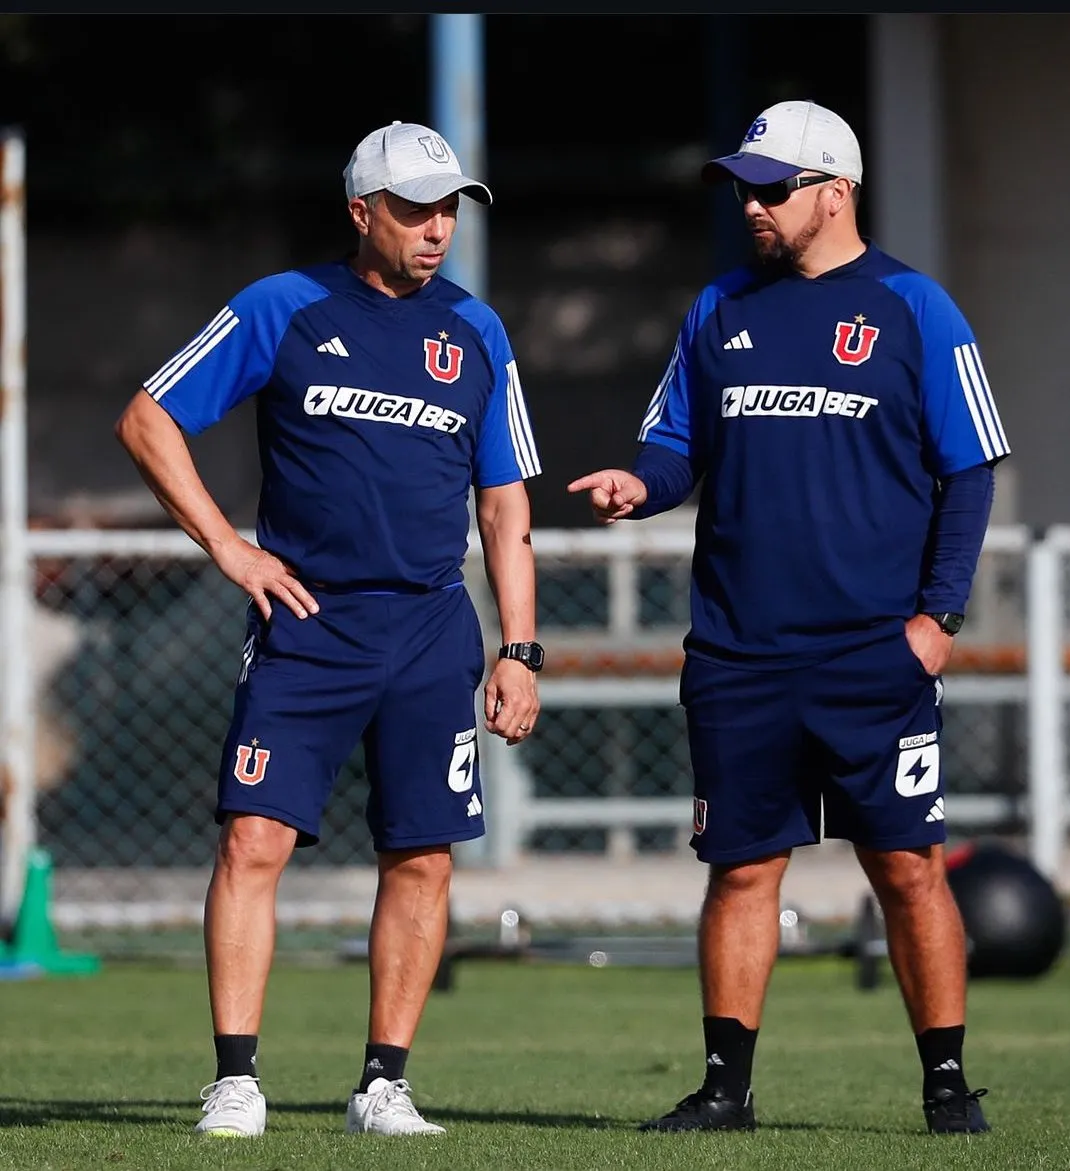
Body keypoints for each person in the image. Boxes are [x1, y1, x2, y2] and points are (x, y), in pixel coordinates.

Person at [568, 99, 1008, 1136]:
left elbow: (973, 468)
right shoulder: (720, 307)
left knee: (904, 866)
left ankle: (945, 1085)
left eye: (772, 188)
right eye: (743, 188)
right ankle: (725, 1089)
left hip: (873, 649)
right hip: (738, 651)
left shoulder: (913, 308)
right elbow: (676, 444)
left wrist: (936, 617)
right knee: (740, 868)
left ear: (835, 192)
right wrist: (644, 485)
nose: (751, 205)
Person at [115, 120, 546, 1139]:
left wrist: (518, 648)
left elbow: (504, 507)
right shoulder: (285, 306)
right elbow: (148, 418)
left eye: (449, 208)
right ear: (362, 212)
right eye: (414, 209)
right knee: (253, 839)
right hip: (306, 623)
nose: (437, 228)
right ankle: (235, 1079)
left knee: (424, 856)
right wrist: (229, 546)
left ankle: (383, 1084)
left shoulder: (477, 332)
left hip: (431, 629)